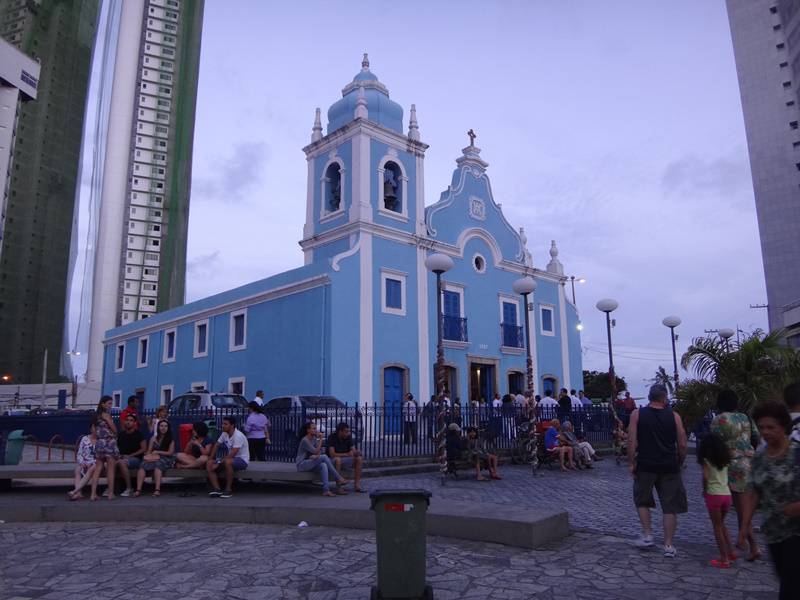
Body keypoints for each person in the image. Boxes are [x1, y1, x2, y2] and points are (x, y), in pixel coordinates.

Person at [738, 400, 800, 599]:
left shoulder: (797, 454)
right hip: (774, 532)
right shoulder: (760, 458)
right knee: (787, 580)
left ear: (783, 427)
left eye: (771, 427)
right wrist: (744, 526)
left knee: (790, 588)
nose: (765, 432)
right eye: (762, 427)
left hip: (797, 532)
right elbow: (753, 492)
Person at [628, 384, 688, 558]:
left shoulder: (637, 415)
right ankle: (668, 544)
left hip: (646, 464)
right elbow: (682, 443)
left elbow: (632, 441)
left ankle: (647, 535)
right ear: (664, 398)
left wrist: (631, 463)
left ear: (649, 397)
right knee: (670, 506)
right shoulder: (674, 416)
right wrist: (680, 461)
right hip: (669, 465)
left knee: (642, 500)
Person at [709, 389, 761, 561]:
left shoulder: (719, 420)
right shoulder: (746, 417)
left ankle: (732, 547)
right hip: (748, 462)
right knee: (743, 509)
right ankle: (752, 546)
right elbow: (756, 437)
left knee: (726, 509)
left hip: (729, 465)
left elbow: (714, 444)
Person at [697, 432, 734, 568]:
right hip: (727, 494)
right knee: (723, 524)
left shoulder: (706, 460)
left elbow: (706, 477)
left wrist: (704, 490)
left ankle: (724, 559)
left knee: (717, 527)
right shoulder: (724, 461)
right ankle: (730, 552)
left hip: (714, 494)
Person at [296, 422, 348, 497]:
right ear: (308, 430)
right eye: (313, 429)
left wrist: (315, 456)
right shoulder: (305, 440)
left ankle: (326, 490)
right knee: (324, 457)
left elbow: (319, 451)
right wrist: (320, 439)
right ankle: (339, 478)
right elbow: (316, 451)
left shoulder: (313, 438)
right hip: (301, 464)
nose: (316, 430)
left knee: (323, 465)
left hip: (309, 462)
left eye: (315, 428)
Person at [206, 416, 249, 498]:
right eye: (222, 423)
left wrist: (218, 463)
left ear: (232, 425)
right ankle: (217, 489)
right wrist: (211, 458)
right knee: (209, 463)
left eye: (225, 424)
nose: (223, 425)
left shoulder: (238, 436)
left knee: (227, 461)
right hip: (230, 459)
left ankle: (228, 489)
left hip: (242, 460)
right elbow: (216, 445)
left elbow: (233, 453)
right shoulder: (224, 434)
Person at [135, 419, 175, 497]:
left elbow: (170, 453)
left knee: (158, 465)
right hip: (154, 457)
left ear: (168, 428)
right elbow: (149, 451)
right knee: (142, 465)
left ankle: (157, 490)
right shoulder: (153, 438)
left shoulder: (170, 439)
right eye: (161, 426)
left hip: (166, 458)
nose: (163, 428)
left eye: (165, 426)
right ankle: (138, 489)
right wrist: (147, 454)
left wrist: (158, 452)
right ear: (158, 427)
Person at [90, 396, 119, 501]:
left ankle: (93, 494)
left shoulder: (95, 416)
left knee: (98, 469)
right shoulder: (106, 415)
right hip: (109, 442)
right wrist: (114, 431)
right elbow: (114, 429)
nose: (110, 406)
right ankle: (110, 493)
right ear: (103, 404)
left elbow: (93, 432)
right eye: (109, 403)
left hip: (99, 443)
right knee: (110, 469)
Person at [327, 422, 366, 493]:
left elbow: (353, 450)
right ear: (340, 431)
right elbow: (332, 454)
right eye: (346, 431)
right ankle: (339, 487)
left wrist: (356, 453)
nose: (348, 433)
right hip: (332, 459)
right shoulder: (332, 437)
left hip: (345, 459)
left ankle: (357, 486)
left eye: (348, 431)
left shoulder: (348, 437)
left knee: (359, 459)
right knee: (338, 460)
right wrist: (346, 454)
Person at [116, 413, 146, 497]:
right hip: (122, 457)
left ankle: (129, 488)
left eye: (131, 420)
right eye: (127, 420)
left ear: (134, 423)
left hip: (136, 459)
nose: (128, 422)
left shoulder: (139, 434)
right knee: (110, 463)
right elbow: (117, 448)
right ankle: (111, 487)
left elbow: (144, 449)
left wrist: (130, 455)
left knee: (122, 463)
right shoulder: (121, 435)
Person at [68, 424, 98, 500]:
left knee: (93, 467)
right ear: (91, 429)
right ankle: (79, 493)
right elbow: (80, 453)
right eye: (94, 428)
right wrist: (82, 462)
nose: (96, 430)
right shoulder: (85, 439)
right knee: (78, 469)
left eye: (98, 428)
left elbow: (101, 456)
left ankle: (75, 491)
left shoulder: (101, 440)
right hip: (85, 463)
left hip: (96, 464)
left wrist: (92, 463)